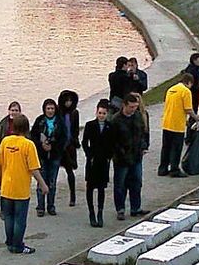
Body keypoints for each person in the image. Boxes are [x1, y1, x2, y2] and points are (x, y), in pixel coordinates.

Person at [0, 114, 49, 255]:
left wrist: (0, 180)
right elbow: (33, 169)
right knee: (19, 219)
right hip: (21, 188)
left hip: (7, 187)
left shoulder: (5, 141)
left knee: (8, 217)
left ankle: (10, 242)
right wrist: (43, 184)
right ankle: (18, 246)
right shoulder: (28, 145)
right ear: (27, 128)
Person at [109, 93, 149, 221]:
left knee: (137, 182)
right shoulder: (115, 120)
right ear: (124, 105)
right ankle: (120, 209)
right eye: (131, 107)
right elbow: (113, 142)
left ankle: (135, 208)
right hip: (122, 159)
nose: (133, 109)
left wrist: (143, 145)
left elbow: (142, 132)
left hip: (136, 155)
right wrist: (121, 153)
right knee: (120, 184)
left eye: (135, 107)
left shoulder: (137, 116)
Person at [30, 98, 68, 217]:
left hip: (55, 156)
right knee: (41, 181)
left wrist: (53, 146)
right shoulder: (39, 120)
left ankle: (51, 205)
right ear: (44, 109)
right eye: (48, 108)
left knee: (52, 182)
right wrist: (42, 145)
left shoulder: (60, 122)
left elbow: (64, 139)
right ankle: (40, 206)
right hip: (41, 156)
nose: (50, 111)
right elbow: (33, 137)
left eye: (52, 108)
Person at [82, 99, 113, 228]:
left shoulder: (110, 126)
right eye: (100, 113)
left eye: (104, 113)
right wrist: (89, 155)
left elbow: (113, 143)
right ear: (96, 112)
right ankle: (91, 213)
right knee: (90, 188)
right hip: (92, 161)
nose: (101, 115)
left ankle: (100, 212)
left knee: (101, 188)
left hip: (103, 161)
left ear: (107, 114)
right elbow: (84, 142)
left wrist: (109, 157)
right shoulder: (90, 125)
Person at [158, 72, 195, 177]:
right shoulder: (186, 91)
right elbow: (188, 109)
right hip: (177, 125)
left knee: (166, 147)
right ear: (189, 82)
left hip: (167, 122)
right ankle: (174, 169)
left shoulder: (171, 89)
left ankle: (163, 168)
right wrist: (196, 117)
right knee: (176, 148)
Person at [57, 90, 81, 208]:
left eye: (70, 101)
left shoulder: (74, 113)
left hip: (70, 144)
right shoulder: (58, 113)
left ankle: (73, 196)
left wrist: (74, 141)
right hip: (59, 145)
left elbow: (75, 129)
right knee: (53, 171)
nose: (68, 103)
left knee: (70, 170)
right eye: (66, 101)